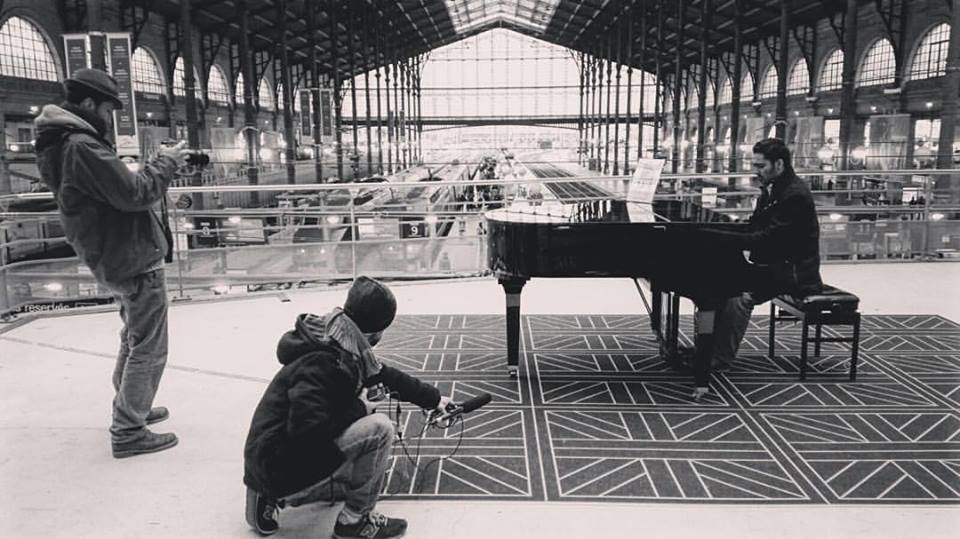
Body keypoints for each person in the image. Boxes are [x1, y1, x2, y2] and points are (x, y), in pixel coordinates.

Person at [34, 68, 189, 457]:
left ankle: (131, 407)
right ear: (88, 104)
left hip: (114, 253)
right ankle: (128, 430)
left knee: (135, 336)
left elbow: (117, 190)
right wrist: (166, 163)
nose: (110, 116)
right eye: (107, 108)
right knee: (149, 346)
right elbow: (135, 193)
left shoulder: (64, 144)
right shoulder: (82, 147)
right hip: (131, 255)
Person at [244, 276, 451, 539]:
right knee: (379, 429)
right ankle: (354, 522)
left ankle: (266, 491)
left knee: (348, 476)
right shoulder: (327, 362)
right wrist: (359, 408)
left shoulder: (334, 335)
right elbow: (307, 432)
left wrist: (434, 400)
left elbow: (383, 375)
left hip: (266, 454)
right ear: (374, 331)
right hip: (278, 464)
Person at [693, 138, 823, 399]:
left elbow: (767, 238)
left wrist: (720, 238)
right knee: (716, 283)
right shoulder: (774, 188)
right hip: (772, 264)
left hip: (793, 271)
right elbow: (754, 226)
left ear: (779, 164)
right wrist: (722, 229)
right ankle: (709, 350)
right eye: (753, 164)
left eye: (760, 165)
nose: (755, 170)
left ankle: (720, 358)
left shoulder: (794, 196)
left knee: (739, 297)